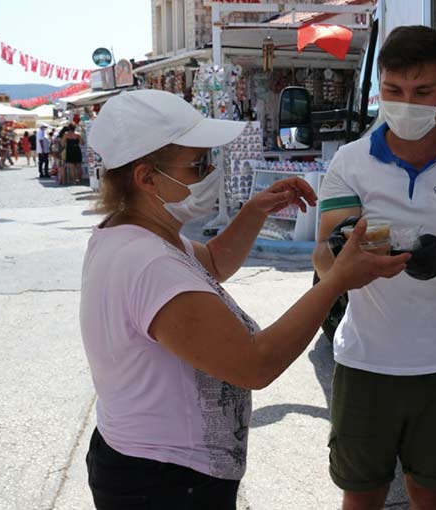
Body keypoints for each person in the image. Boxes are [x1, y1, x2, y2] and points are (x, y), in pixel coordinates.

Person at [80, 89, 410, 510]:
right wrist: (335, 282)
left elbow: (213, 262)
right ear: (146, 178)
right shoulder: (147, 263)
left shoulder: (137, 233)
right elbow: (256, 363)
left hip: (162, 470)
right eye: (197, 164)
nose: (210, 171)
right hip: (163, 482)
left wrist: (255, 210)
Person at [312, 26, 436, 510]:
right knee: (362, 496)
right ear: (379, 86)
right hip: (365, 363)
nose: (406, 104)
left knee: (430, 494)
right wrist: (342, 252)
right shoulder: (350, 163)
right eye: (394, 91)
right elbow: (322, 257)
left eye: (422, 92)